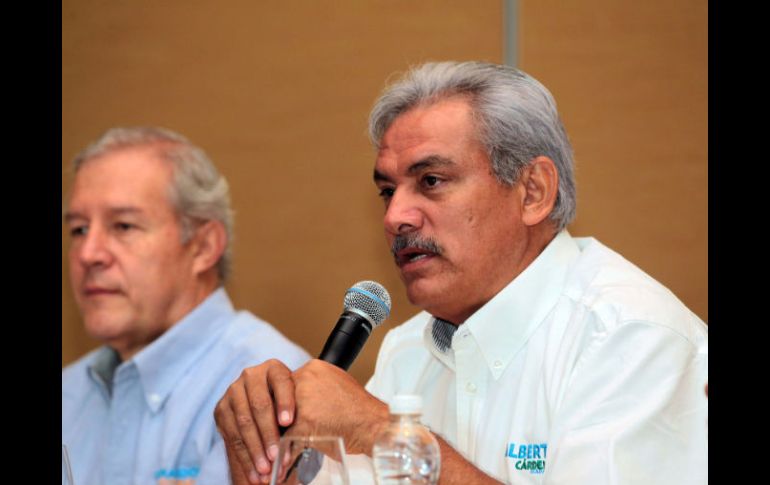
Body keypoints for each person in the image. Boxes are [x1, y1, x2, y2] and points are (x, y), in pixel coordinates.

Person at [214, 62, 708, 484]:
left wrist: (384, 433)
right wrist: (261, 462)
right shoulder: (407, 350)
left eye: (431, 181)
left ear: (533, 191)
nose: (394, 218)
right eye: (388, 191)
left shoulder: (628, 336)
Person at [61, 126, 310, 485]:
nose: (88, 254)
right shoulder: (69, 392)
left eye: (123, 226)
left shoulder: (270, 384)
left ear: (203, 247)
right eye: (79, 230)